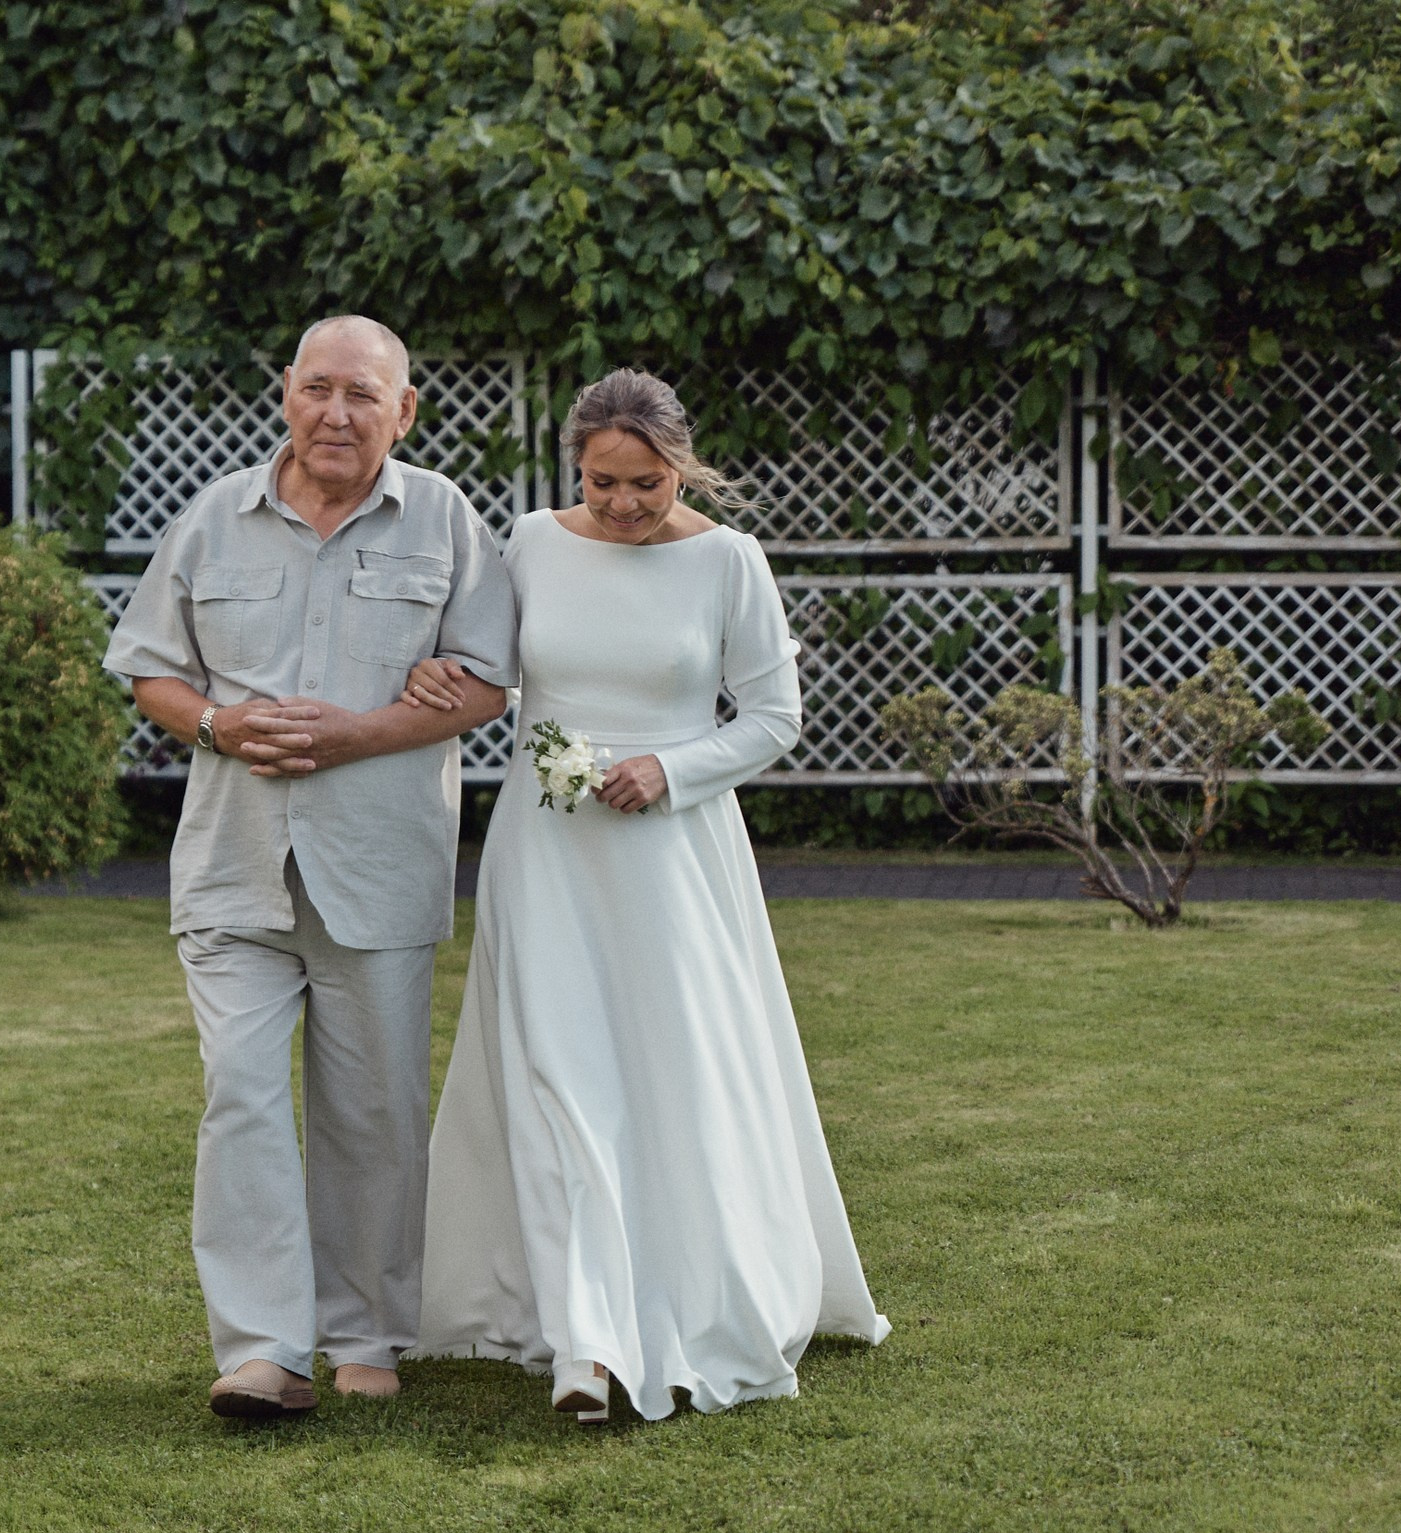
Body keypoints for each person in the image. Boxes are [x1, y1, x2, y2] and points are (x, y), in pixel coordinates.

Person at [404, 367, 890, 1422]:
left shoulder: (729, 561)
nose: (623, 504)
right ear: (575, 466)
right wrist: (438, 678)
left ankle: (692, 1293)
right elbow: (488, 669)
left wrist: (671, 771)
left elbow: (772, 717)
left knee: (673, 1071)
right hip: (546, 847)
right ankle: (584, 1342)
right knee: (555, 1070)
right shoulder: (528, 542)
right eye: (603, 480)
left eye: (647, 483)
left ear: (682, 464)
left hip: (673, 858)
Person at [104, 316, 520, 1418]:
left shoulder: (444, 520)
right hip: (232, 866)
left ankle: (366, 1332)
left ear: (405, 411)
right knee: (237, 1097)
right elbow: (150, 671)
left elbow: (489, 683)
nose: (336, 413)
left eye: (362, 396)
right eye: (317, 389)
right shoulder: (213, 519)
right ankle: (260, 1349)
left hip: (378, 864)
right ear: (285, 394)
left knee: (373, 1111)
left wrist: (360, 734)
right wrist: (219, 728)